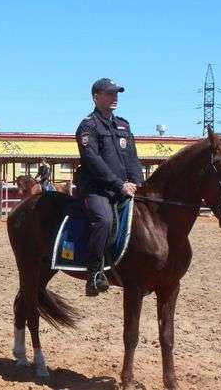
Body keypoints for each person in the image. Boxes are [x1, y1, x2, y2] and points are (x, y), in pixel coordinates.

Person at [75, 78, 144, 297]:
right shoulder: (88, 126)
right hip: (96, 189)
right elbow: (92, 160)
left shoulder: (123, 125)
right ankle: (94, 274)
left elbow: (132, 158)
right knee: (103, 220)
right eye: (109, 93)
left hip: (123, 188)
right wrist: (119, 184)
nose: (115, 97)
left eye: (117, 93)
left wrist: (138, 183)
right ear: (96, 97)